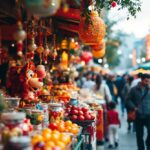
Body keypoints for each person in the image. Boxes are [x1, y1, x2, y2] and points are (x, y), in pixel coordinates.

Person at [126, 74, 150, 150]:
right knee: (139, 135)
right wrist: (133, 107)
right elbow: (128, 100)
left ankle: (148, 143)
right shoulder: (133, 89)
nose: (147, 82)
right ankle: (141, 148)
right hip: (138, 115)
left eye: (149, 81)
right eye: (146, 81)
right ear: (142, 80)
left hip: (148, 115)